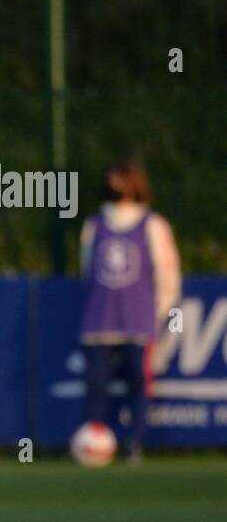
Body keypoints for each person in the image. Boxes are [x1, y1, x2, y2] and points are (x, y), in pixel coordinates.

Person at [78, 159, 181, 463]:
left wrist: (159, 314)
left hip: (138, 321)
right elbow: (87, 271)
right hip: (99, 321)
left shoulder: (152, 224)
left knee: (138, 380)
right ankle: (93, 442)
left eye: (121, 178)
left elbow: (167, 275)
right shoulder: (94, 224)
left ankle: (133, 442)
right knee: (96, 385)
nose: (115, 184)